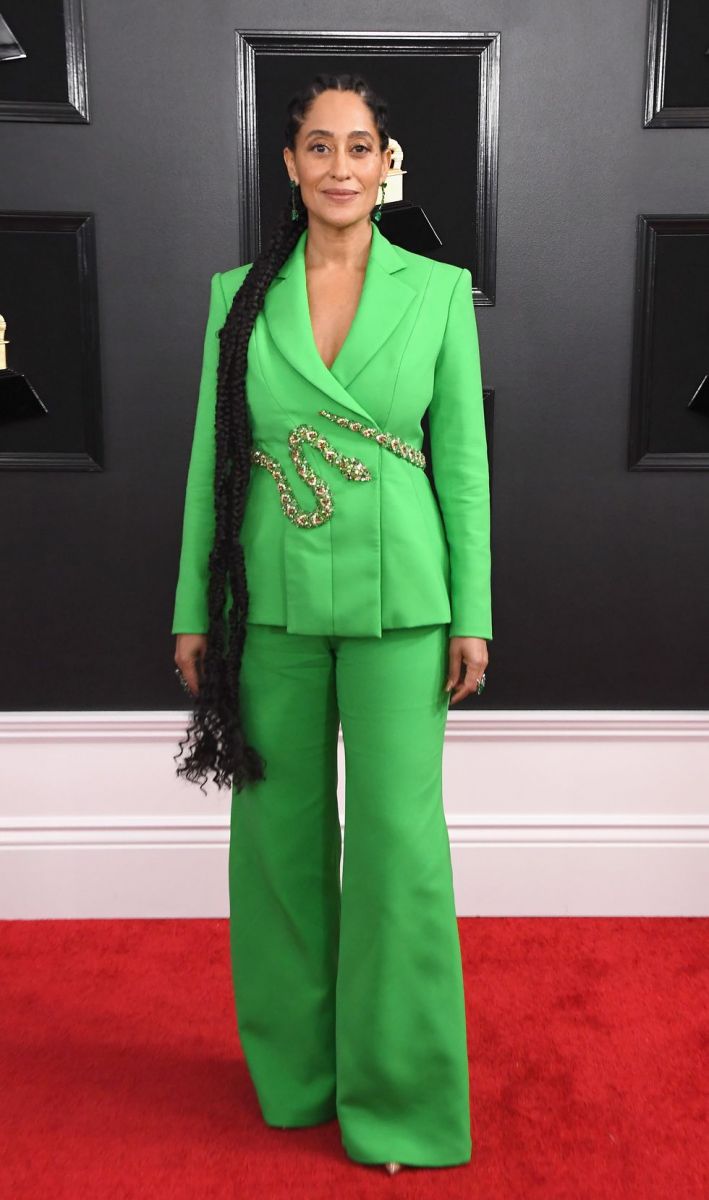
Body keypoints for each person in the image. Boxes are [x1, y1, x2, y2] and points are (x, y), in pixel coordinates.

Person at [171, 72, 492, 1174]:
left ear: (385, 163)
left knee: (399, 852)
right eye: (319, 146)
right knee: (276, 846)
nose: (341, 166)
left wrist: (474, 614)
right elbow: (210, 467)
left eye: (360, 146)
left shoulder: (437, 291)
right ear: (290, 164)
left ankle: (398, 1102)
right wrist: (194, 611)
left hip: (406, 604)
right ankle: (297, 1079)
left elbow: (462, 464)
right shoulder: (237, 296)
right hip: (272, 603)